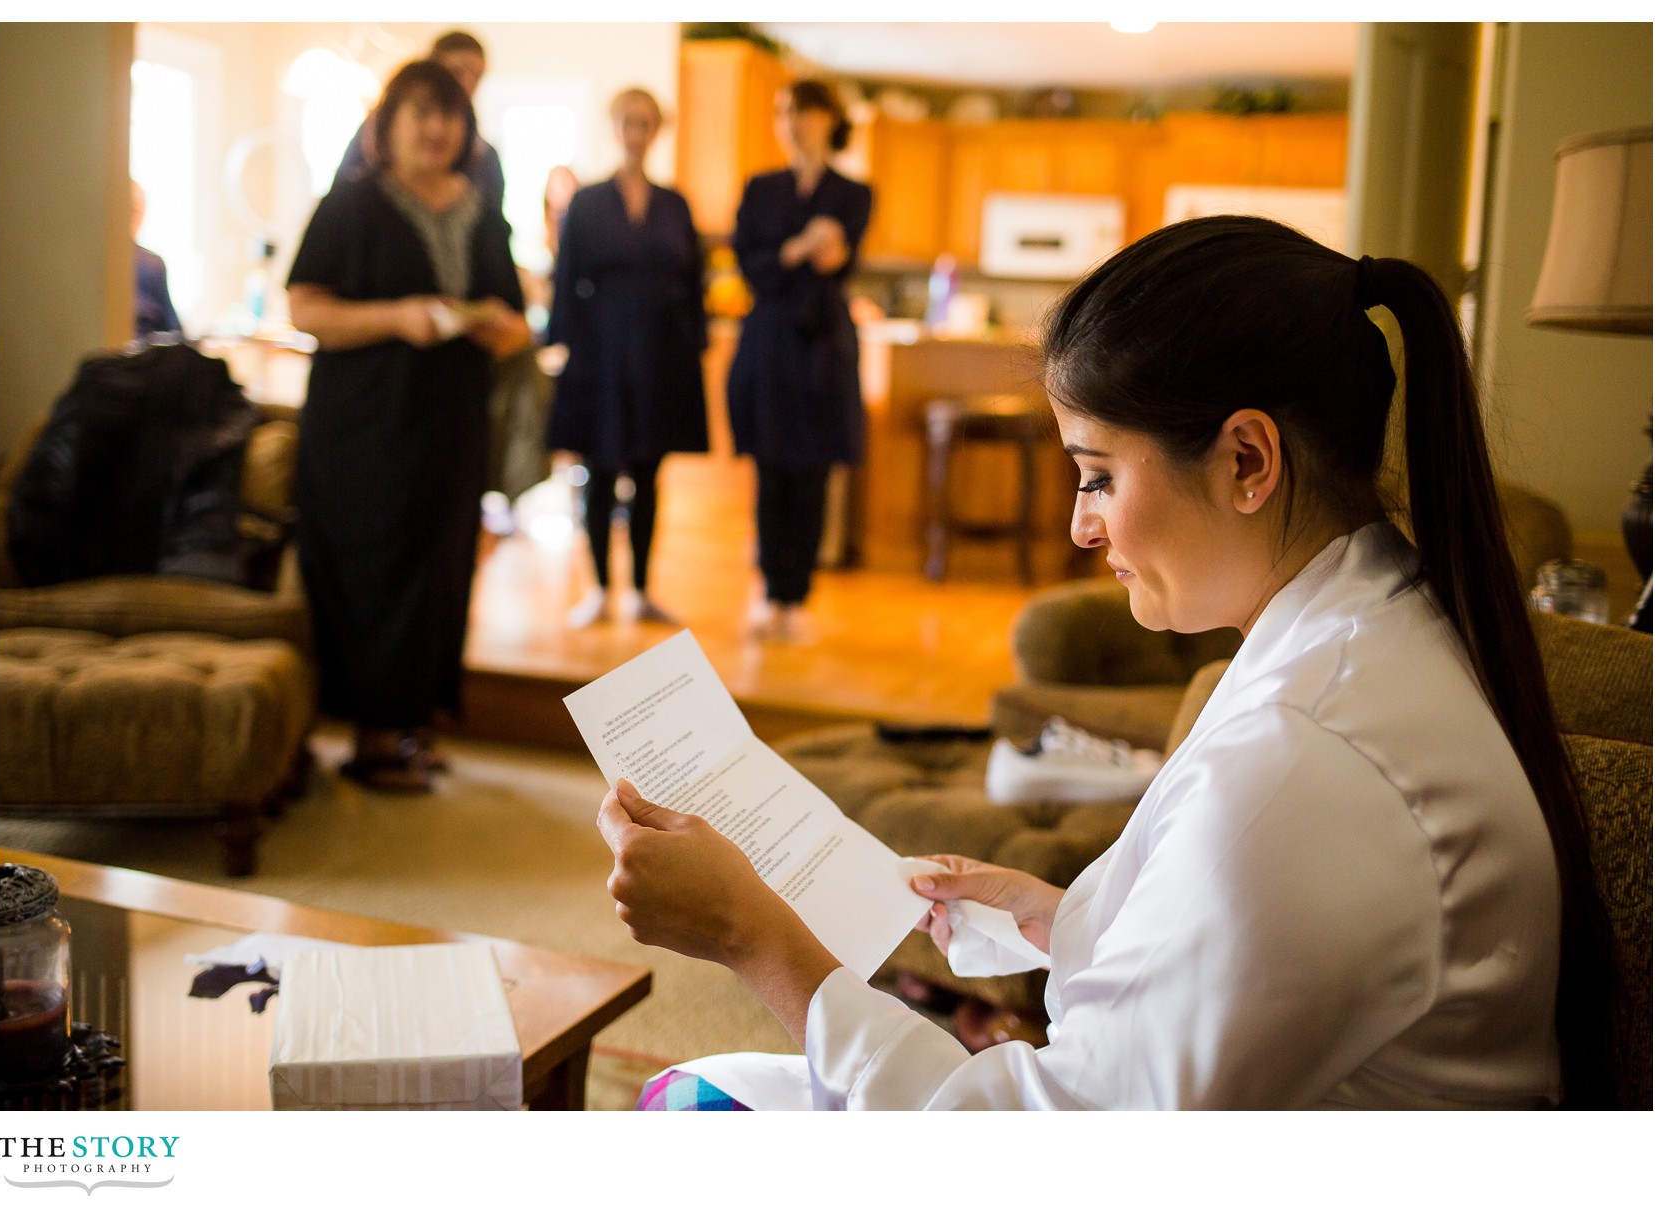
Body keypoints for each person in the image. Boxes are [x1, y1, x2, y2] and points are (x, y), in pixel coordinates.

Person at [594, 215, 1617, 1109]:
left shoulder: (1306, 760)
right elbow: (1252, 954)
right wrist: (1059, 918)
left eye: (1095, 475)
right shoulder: (1371, 623)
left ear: (1246, 461)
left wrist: (753, 937)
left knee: (695, 1104)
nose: (1081, 527)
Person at [287, 60, 530, 792]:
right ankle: (369, 736)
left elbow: (517, 321)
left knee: (441, 566)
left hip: (452, 423)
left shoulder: (483, 209)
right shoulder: (350, 205)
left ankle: (412, 725)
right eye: (421, 112)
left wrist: (488, 326)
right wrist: (397, 317)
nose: (436, 128)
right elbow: (305, 309)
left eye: (449, 115)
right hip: (363, 423)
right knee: (374, 566)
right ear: (387, 124)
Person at [546, 88, 708, 628]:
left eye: (646, 124)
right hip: (600, 357)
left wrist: (692, 351)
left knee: (648, 475)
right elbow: (567, 279)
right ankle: (597, 587)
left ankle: (640, 588)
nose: (637, 134)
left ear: (657, 130)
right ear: (614, 128)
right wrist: (563, 348)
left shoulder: (675, 204)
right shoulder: (588, 202)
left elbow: (694, 287)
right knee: (598, 472)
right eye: (628, 123)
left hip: (660, 359)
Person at [726, 79, 872, 641]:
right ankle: (770, 591)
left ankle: (798, 595)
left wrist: (807, 250)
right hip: (767, 344)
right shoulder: (760, 189)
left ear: (828, 120)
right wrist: (800, 247)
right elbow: (752, 266)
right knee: (769, 468)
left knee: (812, 471)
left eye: (804, 111)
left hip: (821, 349)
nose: (793, 122)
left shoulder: (853, 192)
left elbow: (839, 259)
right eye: (784, 111)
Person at [335, 30, 504, 208]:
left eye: (476, 76)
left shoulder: (484, 154)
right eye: (457, 72)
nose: (467, 85)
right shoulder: (372, 136)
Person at [131, 181, 180, 339]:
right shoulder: (149, 265)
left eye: (138, 209)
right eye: (131, 208)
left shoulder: (153, 264)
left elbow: (173, 331)